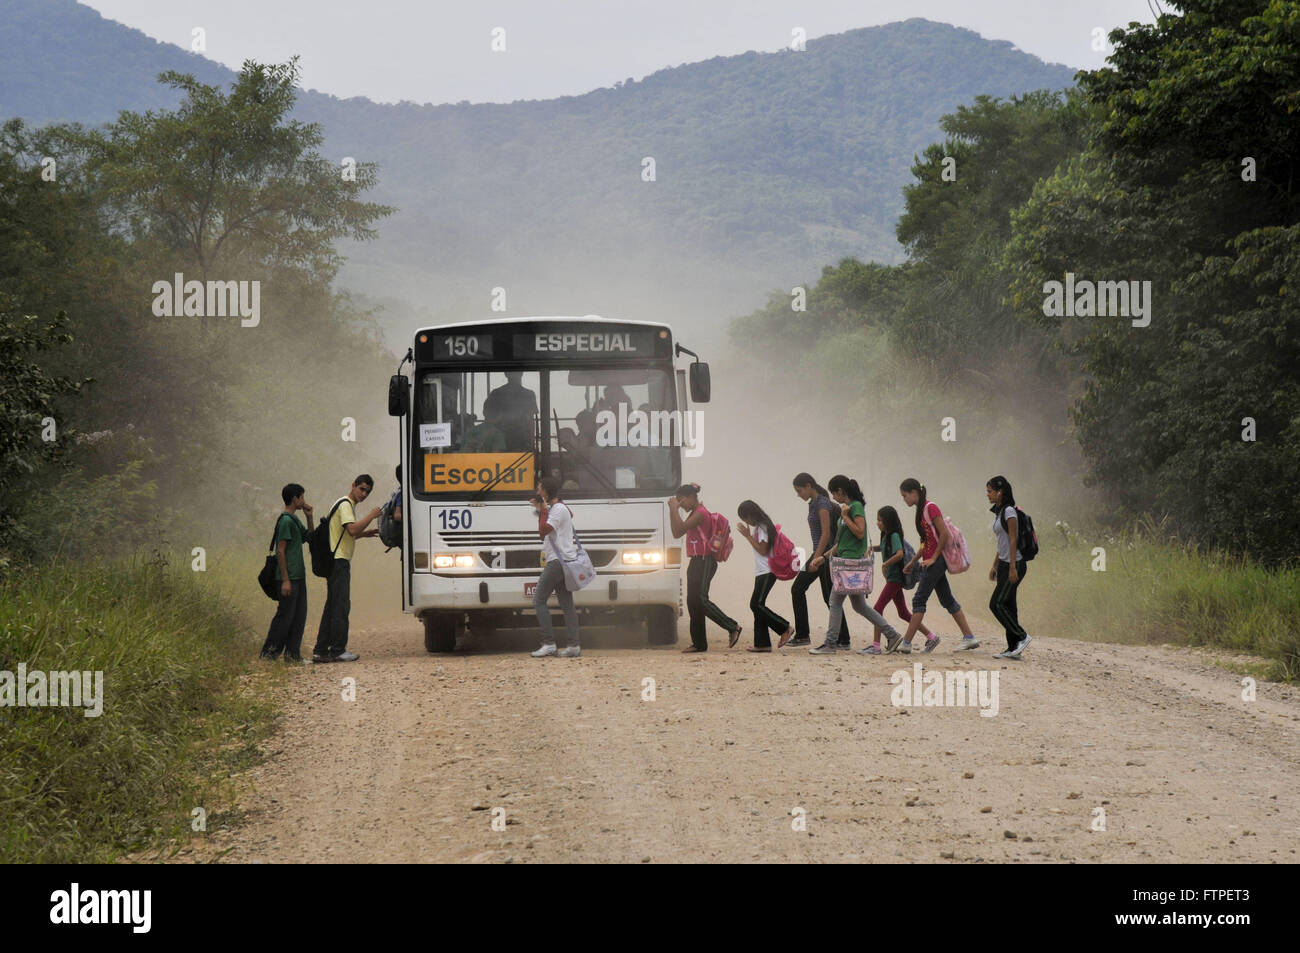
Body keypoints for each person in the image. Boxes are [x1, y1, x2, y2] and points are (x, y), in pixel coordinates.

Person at [806, 475, 903, 655]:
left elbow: (859, 533)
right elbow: (841, 541)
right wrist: (824, 557)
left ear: (841, 491)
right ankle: (892, 634)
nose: (833, 497)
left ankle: (830, 644)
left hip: (851, 563)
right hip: (845, 561)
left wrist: (845, 516)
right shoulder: (848, 508)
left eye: (834, 493)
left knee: (834, 601)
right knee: (859, 606)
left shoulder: (855, 507)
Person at [890, 478, 979, 654]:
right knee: (947, 599)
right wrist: (913, 561)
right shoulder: (921, 510)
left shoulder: (931, 507)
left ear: (915, 492)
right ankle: (969, 637)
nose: (904, 499)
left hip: (936, 562)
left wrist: (934, 558)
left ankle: (906, 643)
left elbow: (944, 534)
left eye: (905, 495)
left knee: (918, 600)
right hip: (930, 561)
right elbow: (927, 542)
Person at [312, 474, 382, 663]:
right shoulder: (345, 505)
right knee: (341, 606)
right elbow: (351, 529)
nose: (364, 494)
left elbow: (343, 534)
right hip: (339, 562)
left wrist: (364, 534)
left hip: (335, 560)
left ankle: (320, 650)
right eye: (362, 489)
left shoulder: (344, 505)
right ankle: (337, 650)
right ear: (353, 485)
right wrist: (371, 515)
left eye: (367, 491)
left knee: (332, 605)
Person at [668, 483, 741, 653]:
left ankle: (733, 627)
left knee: (700, 599)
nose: (681, 505)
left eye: (681, 501)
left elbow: (679, 529)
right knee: (692, 601)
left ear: (690, 497)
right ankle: (699, 643)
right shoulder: (694, 513)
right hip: (696, 561)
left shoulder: (700, 514)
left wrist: (673, 509)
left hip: (705, 560)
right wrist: (674, 510)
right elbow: (676, 533)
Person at [863, 505, 932, 654]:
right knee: (903, 612)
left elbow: (899, 554)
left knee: (877, 609)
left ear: (888, 521)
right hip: (892, 578)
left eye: (880, 520)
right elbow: (884, 547)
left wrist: (885, 564)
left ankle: (876, 646)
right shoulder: (886, 535)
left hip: (895, 578)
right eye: (877, 520)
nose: (877, 523)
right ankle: (931, 636)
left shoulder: (894, 535)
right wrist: (871, 548)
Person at [789, 473, 846, 648]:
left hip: (826, 556)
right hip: (820, 554)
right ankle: (807, 635)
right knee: (823, 595)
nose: (799, 495)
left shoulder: (822, 503)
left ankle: (841, 639)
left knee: (822, 595)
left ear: (808, 486)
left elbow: (826, 533)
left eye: (799, 491)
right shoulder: (814, 503)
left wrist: (817, 558)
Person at [260, 483, 314, 662]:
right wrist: (285, 580)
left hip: (299, 576)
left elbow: (309, 538)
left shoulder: (295, 519)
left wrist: (309, 517)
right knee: (284, 617)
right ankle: (269, 655)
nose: (304, 501)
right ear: (295, 499)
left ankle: (292, 655)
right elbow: (280, 550)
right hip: (289, 577)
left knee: (299, 616)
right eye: (302, 497)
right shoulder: (285, 521)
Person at [530, 476, 582, 658]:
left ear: (545, 491)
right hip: (563, 560)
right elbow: (544, 534)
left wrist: (543, 510)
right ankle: (573, 646)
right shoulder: (558, 508)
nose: (537, 491)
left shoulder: (558, 509)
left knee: (538, 600)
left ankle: (549, 643)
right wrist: (541, 509)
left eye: (539, 488)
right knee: (567, 604)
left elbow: (543, 531)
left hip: (557, 561)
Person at [736, 500, 795, 652]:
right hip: (762, 571)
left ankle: (784, 628)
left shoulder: (762, 527)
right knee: (758, 605)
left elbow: (762, 550)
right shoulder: (762, 526)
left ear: (750, 515)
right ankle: (762, 643)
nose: (746, 522)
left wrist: (748, 536)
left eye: (745, 518)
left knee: (755, 604)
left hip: (768, 571)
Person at [986, 475, 1032, 659]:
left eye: (990, 491)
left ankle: (1022, 636)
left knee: (996, 603)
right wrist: (995, 565)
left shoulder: (1009, 512)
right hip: (1005, 564)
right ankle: (1013, 648)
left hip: (1016, 564)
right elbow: (1002, 542)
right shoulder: (999, 512)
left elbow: (1013, 539)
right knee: (1009, 605)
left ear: (1000, 492)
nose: (987, 495)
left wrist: (1013, 567)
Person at [484, 372, 538, 450]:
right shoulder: (528, 394)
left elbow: (488, 418)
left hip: (501, 439)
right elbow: (531, 421)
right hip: (521, 439)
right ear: (521, 374)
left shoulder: (496, 393)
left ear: (506, 374)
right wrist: (532, 443)